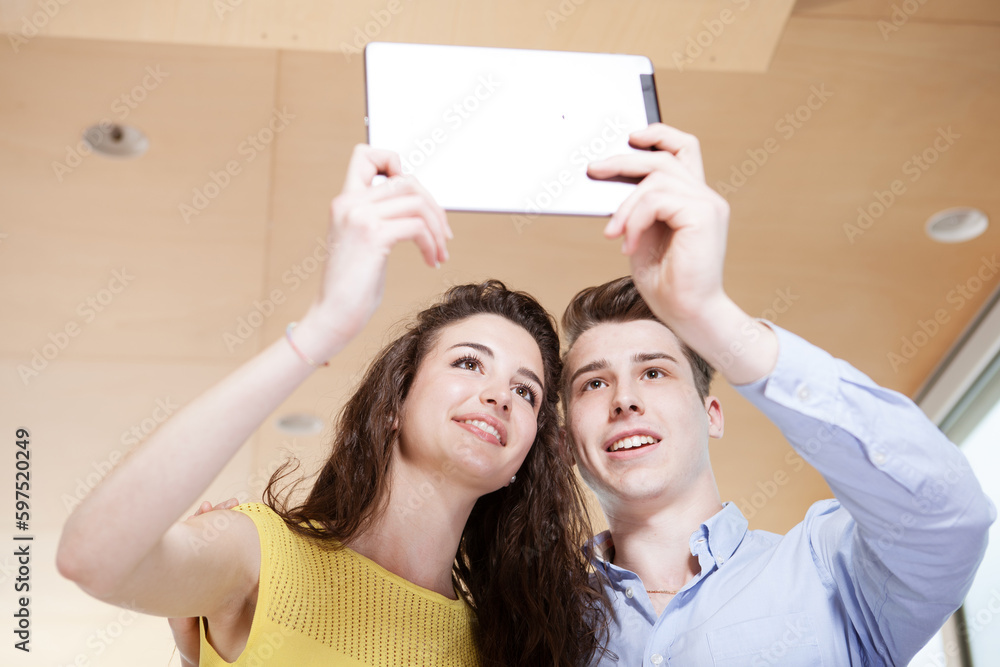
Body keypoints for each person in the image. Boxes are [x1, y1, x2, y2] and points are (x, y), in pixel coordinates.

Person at [57, 145, 608, 666]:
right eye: (468, 363)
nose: (498, 395)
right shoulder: (260, 555)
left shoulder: (500, 646)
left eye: (525, 391)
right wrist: (323, 328)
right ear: (395, 401)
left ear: (523, 458)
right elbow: (92, 557)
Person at [560, 123, 996, 664]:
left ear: (712, 414)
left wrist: (708, 314)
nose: (624, 399)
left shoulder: (830, 571)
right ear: (563, 442)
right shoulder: (534, 627)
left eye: (654, 372)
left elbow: (947, 514)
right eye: (594, 383)